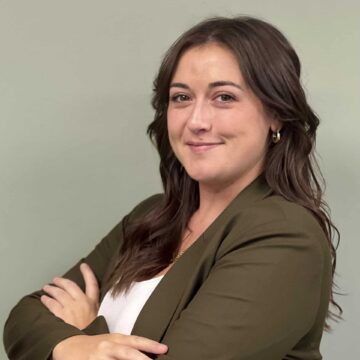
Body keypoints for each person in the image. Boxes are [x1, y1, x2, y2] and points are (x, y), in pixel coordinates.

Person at [3, 15, 342, 360]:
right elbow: (25, 318)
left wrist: (88, 331)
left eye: (224, 97)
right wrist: (72, 345)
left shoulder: (285, 236)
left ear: (276, 114)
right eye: (181, 98)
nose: (196, 121)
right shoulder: (151, 216)